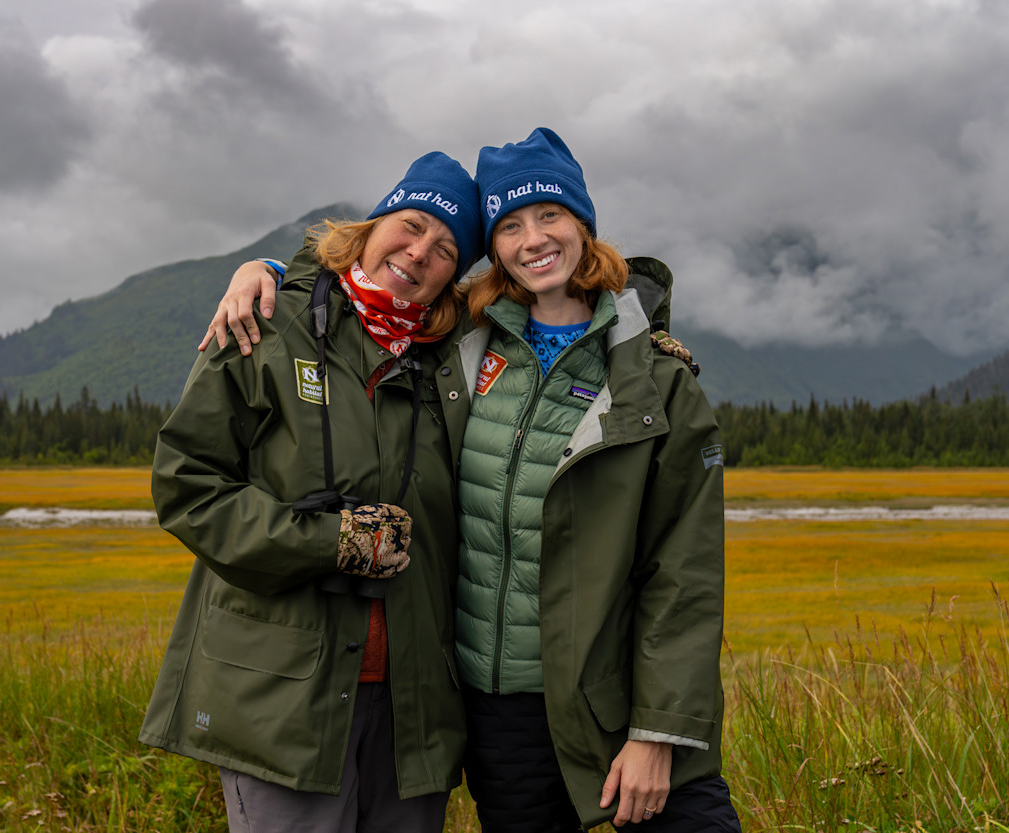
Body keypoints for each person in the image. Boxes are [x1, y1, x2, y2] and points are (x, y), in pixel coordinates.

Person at [208, 129, 736, 832]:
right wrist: (268, 267)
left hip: (616, 701)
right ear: (498, 251)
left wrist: (659, 731)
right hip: (502, 712)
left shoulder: (655, 378)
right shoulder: (457, 352)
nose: (533, 237)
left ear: (584, 226)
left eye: (550, 214)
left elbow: (685, 572)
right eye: (510, 225)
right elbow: (362, 290)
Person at [141, 151, 483, 833]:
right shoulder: (267, 322)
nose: (419, 253)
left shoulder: (451, 360)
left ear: (456, 275)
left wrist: (646, 347)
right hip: (282, 699)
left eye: (445, 249)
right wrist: (334, 541)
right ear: (374, 222)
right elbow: (187, 486)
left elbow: (561, 321)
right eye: (411, 225)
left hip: (411, 708)